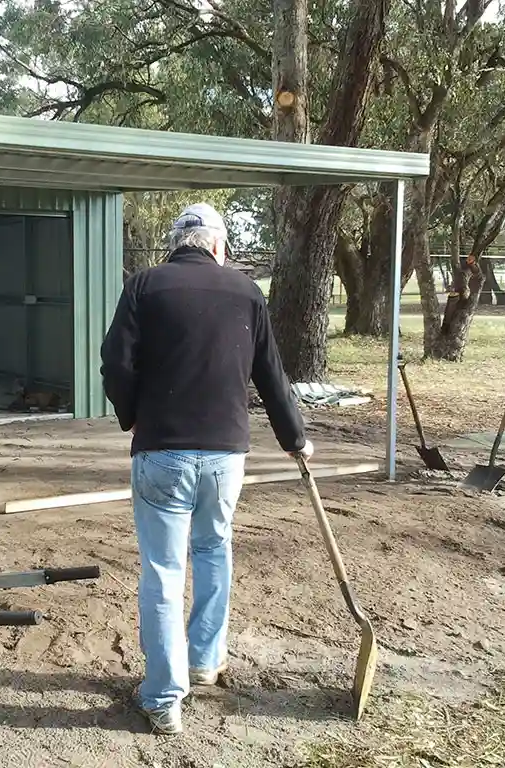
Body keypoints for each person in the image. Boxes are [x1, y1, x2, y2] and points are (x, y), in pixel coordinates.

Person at [100, 202, 313, 735]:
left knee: (164, 573)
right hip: (225, 458)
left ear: (177, 243)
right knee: (214, 549)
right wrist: (296, 439)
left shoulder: (144, 287)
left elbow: (115, 362)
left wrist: (134, 417)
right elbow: (272, 375)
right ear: (219, 246)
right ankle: (204, 659)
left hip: (162, 453)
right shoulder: (246, 292)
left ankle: (164, 696)